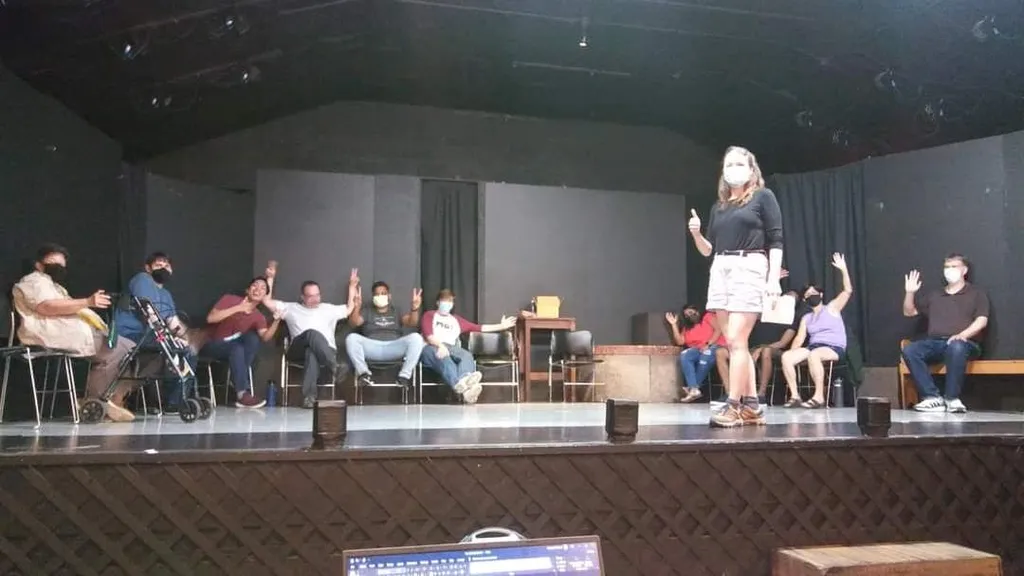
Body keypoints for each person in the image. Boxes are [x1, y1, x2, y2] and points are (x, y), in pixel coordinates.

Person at [688, 146, 783, 427]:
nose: (733, 168)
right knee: (733, 343)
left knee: (736, 341)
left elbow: (776, 239)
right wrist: (695, 232)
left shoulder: (763, 197)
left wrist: (773, 278)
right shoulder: (720, 206)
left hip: (749, 265)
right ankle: (752, 406)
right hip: (720, 268)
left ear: (752, 169)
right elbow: (708, 250)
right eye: (729, 164)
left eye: (740, 163)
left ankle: (733, 405)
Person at [12, 243, 136, 422]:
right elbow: (46, 306)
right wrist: (87, 302)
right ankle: (97, 401)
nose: (59, 269)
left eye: (62, 266)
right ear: (39, 265)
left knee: (134, 350)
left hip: (72, 333)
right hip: (52, 335)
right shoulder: (34, 281)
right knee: (119, 349)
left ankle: (113, 397)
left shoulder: (56, 287)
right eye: (53, 264)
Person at [902, 254, 989, 413]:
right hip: (937, 343)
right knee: (910, 350)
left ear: (964, 270)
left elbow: (981, 320)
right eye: (947, 267)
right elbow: (909, 312)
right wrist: (910, 293)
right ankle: (932, 397)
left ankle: (952, 398)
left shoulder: (976, 293)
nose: (950, 271)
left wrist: (963, 335)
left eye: (954, 267)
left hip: (965, 343)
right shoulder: (935, 295)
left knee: (956, 346)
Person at [267, 267, 357, 409]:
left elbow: (349, 308)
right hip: (297, 351)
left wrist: (352, 286)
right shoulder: (290, 308)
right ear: (302, 297)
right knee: (311, 334)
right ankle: (335, 366)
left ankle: (309, 397)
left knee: (312, 352)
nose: (315, 299)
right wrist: (270, 279)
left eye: (317, 295)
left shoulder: (329, 309)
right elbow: (267, 301)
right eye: (310, 296)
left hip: (325, 350)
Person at [113, 251, 191, 413]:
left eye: (166, 265)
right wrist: (168, 338)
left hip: (152, 335)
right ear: (148, 268)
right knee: (169, 348)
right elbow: (148, 310)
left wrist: (184, 338)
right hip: (131, 333)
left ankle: (174, 402)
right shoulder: (143, 279)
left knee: (187, 350)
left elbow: (172, 321)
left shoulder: (166, 294)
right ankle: (155, 400)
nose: (163, 268)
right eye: (158, 265)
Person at [200, 268, 281, 408]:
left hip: (234, 349)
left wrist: (276, 321)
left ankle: (238, 381)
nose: (258, 289)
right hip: (213, 344)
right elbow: (211, 319)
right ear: (247, 290)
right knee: (237, 347)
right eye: (255, 286)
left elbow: (265, 337)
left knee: (252, 338)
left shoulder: (258, 316)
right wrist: (238, 308)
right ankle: (242, 393)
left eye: (263, 288)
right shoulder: (230, 299)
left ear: (264, 296)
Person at [419, 289, 517, 405]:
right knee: (445, 358)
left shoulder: (456, 320)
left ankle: (465, 381)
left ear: (452, 304)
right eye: (444, 301)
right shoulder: (429, 315)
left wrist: (501, 326)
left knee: (466, 355)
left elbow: (479, 328)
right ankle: (460, 385)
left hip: (450, 347)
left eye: (450, 301)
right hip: (430, 346)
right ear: (438, 303)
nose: (447, 304)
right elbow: (429, 336)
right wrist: (440, 346)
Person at [780, 254, 852, 408]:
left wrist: (843, 269)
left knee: (814, 355)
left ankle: (819, 397)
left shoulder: (832, 308)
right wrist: (794, 354)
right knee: (786, 357)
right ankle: (795, 396)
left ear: (821, 295)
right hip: (814, 347)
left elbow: (847, 291)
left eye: (814, 293)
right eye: (808, 295)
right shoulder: (806, 318)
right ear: (805, 300)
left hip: (834, 347)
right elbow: (799, 339)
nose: (811, 296)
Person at [345, 275, 426, 390]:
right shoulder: (367, 310)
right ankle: (364, 374)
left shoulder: (396, 310)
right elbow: (354, 323)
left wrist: (414, 309)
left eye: (383, 293)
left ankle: (404, 377)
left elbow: (412, 323)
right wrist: (357, 307)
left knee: (416, 338)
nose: (380, 296)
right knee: (351, 338)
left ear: (389, 296)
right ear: (373, 297)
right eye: (377, 294)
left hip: (393, 347)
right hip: (372, 347)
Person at [748, 290, 800, 403]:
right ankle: (740, 393)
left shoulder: (792, 319)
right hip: (754, 346)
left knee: (765, 351)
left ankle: (761, 393)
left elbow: (783, 342)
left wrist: (761, 349)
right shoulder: (767, 312)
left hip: (775, 350)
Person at [666, 305, 724, 403]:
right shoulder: (687, 328)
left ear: (697, 310)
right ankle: (694, 389)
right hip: (698, 349)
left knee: (706, 355)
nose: (690, 315)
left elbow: (719, 329)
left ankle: (692, 388)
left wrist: (708, 344)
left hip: (714, 345)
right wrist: (674, 324)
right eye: (687, 315)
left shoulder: (707, 317)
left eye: (691, 312)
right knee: (685, 354)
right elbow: (680, 341)